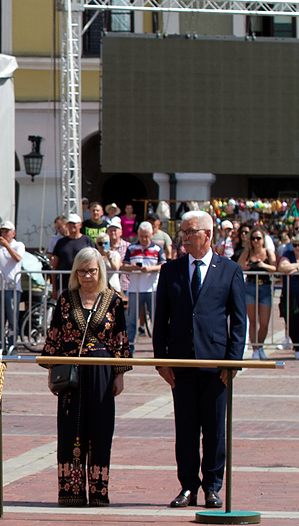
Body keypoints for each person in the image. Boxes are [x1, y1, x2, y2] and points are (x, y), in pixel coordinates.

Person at [154, 210, 246, 509]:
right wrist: (162, 362)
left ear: (207, 234)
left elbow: (239, 321)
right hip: (181, 364)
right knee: (186, 429)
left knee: (215, 429)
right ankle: (188, 486)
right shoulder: (171, 270)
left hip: (215, 364)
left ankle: (212, 487)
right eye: (182, 232)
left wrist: (232, 363)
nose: (184, 237)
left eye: (189, 231)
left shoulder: (229, 270)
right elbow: (161, 320)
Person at [42, 247, 131, 506]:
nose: (87, 276)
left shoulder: (113, 300)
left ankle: (99, 491)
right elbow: (55, 335)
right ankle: (71, 490)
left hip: (102, 371)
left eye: (91, 270)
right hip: (71, 372)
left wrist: (119, 374)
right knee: (70, 429)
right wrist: (51, 370)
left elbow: (120, 338)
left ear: (100, 270)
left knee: (101, 429)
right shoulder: (66, 299)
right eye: (81, 271)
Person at [120, 222, 165, 355]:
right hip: (135, 289)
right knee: (132, 321)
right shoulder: (132, 248)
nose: (144, 239)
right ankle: (130, 349)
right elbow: (123, 266)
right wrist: (133, 268)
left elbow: (163, 265)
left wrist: (150, 269)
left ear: (151, 235)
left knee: (157, 321)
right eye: (141, 236)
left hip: (153, 289)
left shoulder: (157, 248)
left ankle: (159, 350)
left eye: (146, 236)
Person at [0, 220, 24, 354]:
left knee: (13, 319)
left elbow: (18, 258)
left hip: (13, 287)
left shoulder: (18, 245)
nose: (4, 234)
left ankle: (13, 345)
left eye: (7, 231)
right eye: (2, 231)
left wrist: (7, 246)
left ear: (13, 233)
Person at [237, 226, 277, 360]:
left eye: (258, 238)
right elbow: (239, 265)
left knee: (264, 323)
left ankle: (260, 346)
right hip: (250, 286)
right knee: (252, 321)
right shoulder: (247, 252)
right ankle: (255, 349)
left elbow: (274, 267)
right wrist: (249, 266)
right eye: (253, 238)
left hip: (265, 287)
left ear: (263, 239)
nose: (256, 241)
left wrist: (262, 265)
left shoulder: (268, 252)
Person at [49, 213, 95, 291]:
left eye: (74, 224)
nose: (71, 226)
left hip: (83, 284)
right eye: (69, 224)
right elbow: (55, 266)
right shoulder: (60, 242)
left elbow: (94, 262)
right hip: (64, 284)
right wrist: (54, 287)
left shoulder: (87, 240)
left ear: (80, 225)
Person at [277, 233, 299, 360]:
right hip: (291, 294)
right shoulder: (288, 255)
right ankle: (296, 347)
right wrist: (297, 266)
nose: (297, 248)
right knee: (292, 321)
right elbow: (282, 266)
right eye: (295, 245)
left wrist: (293, 268)